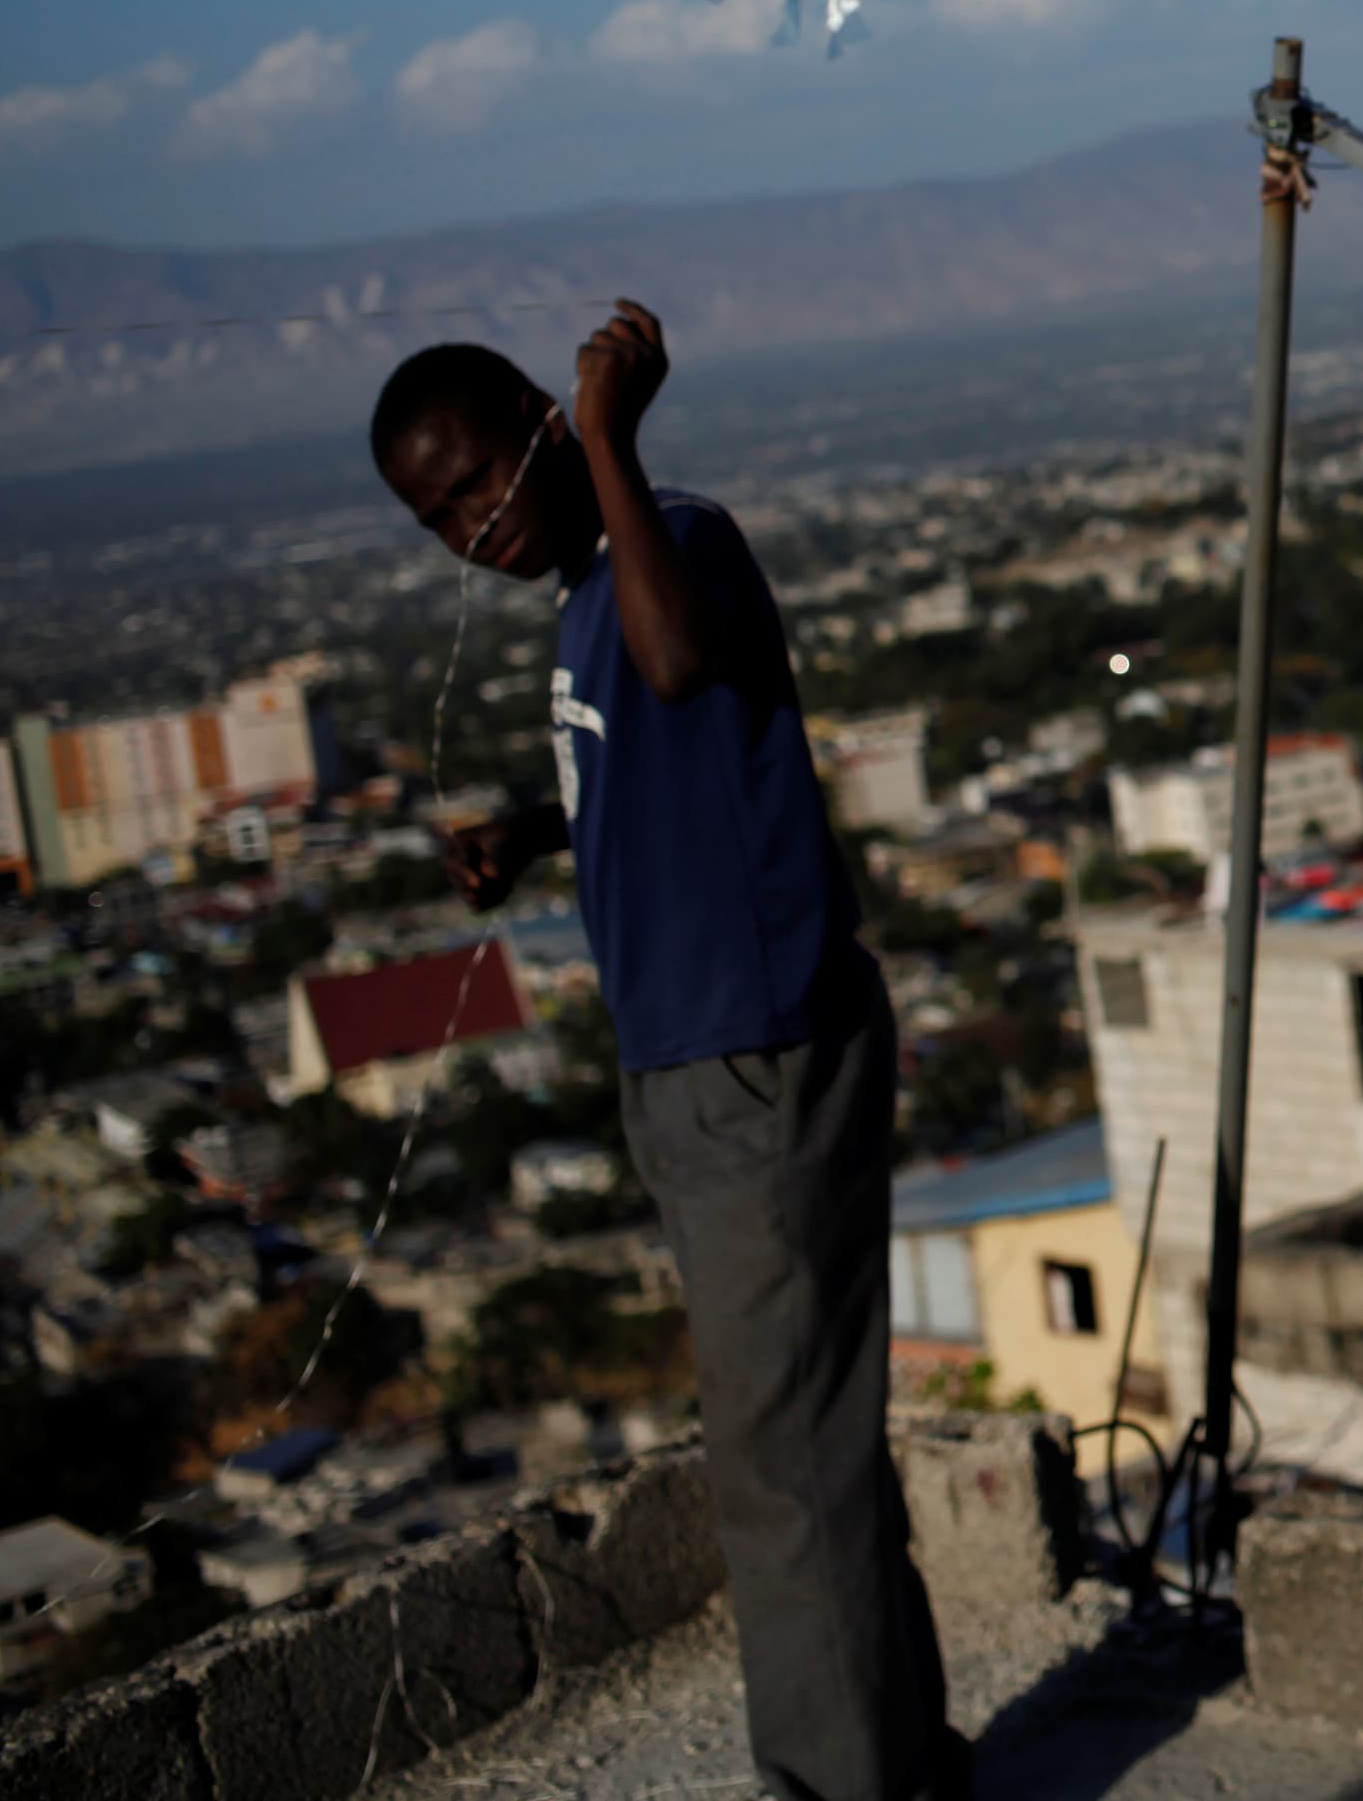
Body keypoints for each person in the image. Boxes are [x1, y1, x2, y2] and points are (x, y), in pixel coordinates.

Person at [370, 303, 961, 1801]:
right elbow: (661, 761)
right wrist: (536, 821)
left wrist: (617, 440)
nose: (471, 522)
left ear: (542, 423)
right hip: (695, 1063)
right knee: (810, 1438)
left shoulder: (671, 539)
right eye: (437, 513)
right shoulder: (588, 592)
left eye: (483, 473)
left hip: (754, 1053)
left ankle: (834, 1785)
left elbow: (683, 659)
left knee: (778, 1469)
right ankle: (899, 1761)